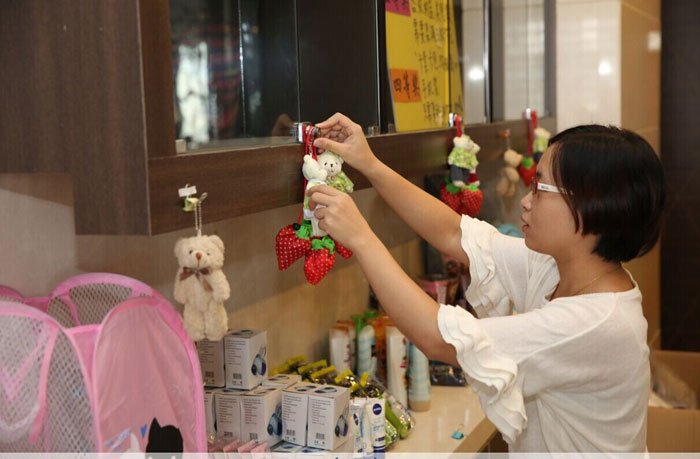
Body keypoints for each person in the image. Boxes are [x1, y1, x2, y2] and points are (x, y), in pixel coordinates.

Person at [307, 113, 666, 452]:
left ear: (590, 207)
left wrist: (362, 239)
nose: (526, 201)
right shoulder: (562, 269)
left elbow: (438, 338)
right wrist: (369, 163)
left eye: (540, 188)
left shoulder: (597, 324)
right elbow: (454, 233)